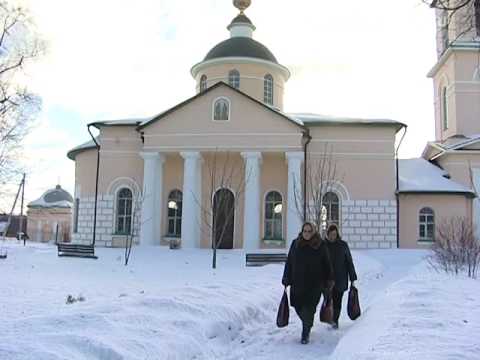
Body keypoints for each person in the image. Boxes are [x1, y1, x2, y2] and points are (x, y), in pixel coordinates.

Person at [282, 222, 334, 344]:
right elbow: (289, 262)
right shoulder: (296, 244)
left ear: (313, 232)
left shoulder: (320, 245)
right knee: (298, 307)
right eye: (305, 231)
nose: (307, 233)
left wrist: (329, 280)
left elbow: (327, 264)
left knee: (308, 310)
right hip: (297, 284)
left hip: (314, 285)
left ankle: (305, 333)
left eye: (309, 231)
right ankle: (308, 323)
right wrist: (286, 277)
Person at [325, 223, 358, 329]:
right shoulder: (323, 245)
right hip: (327, 279)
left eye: (334, 234)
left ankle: (335, 320)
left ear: (337, 234)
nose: (332, 236)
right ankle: (329, 317)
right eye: (330, 234)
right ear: (327, 234)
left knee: (337, 300)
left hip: (341, 278)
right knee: (328, 299)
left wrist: (352, 277)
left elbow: (349, 261)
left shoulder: (343, 245)